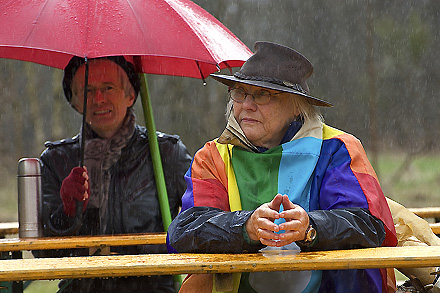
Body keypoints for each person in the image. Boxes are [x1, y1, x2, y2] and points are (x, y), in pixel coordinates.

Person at [167, 42, 398, 293]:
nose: (247, 105)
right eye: (240, 93)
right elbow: (185, 230)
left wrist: (310, 227)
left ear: (296, 105)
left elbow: (368, 225)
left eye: (262, 94)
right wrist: (245, 227)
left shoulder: (336, 149)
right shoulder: (213, 156)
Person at [38, 56, 192, 293]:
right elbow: (43, 252)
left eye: (108, 88)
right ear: (76, 102)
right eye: (88, 91)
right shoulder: (56, 161)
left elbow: (202, 219)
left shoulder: (166, 153)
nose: (98, 99)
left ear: (130, 96)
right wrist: (67, 213)